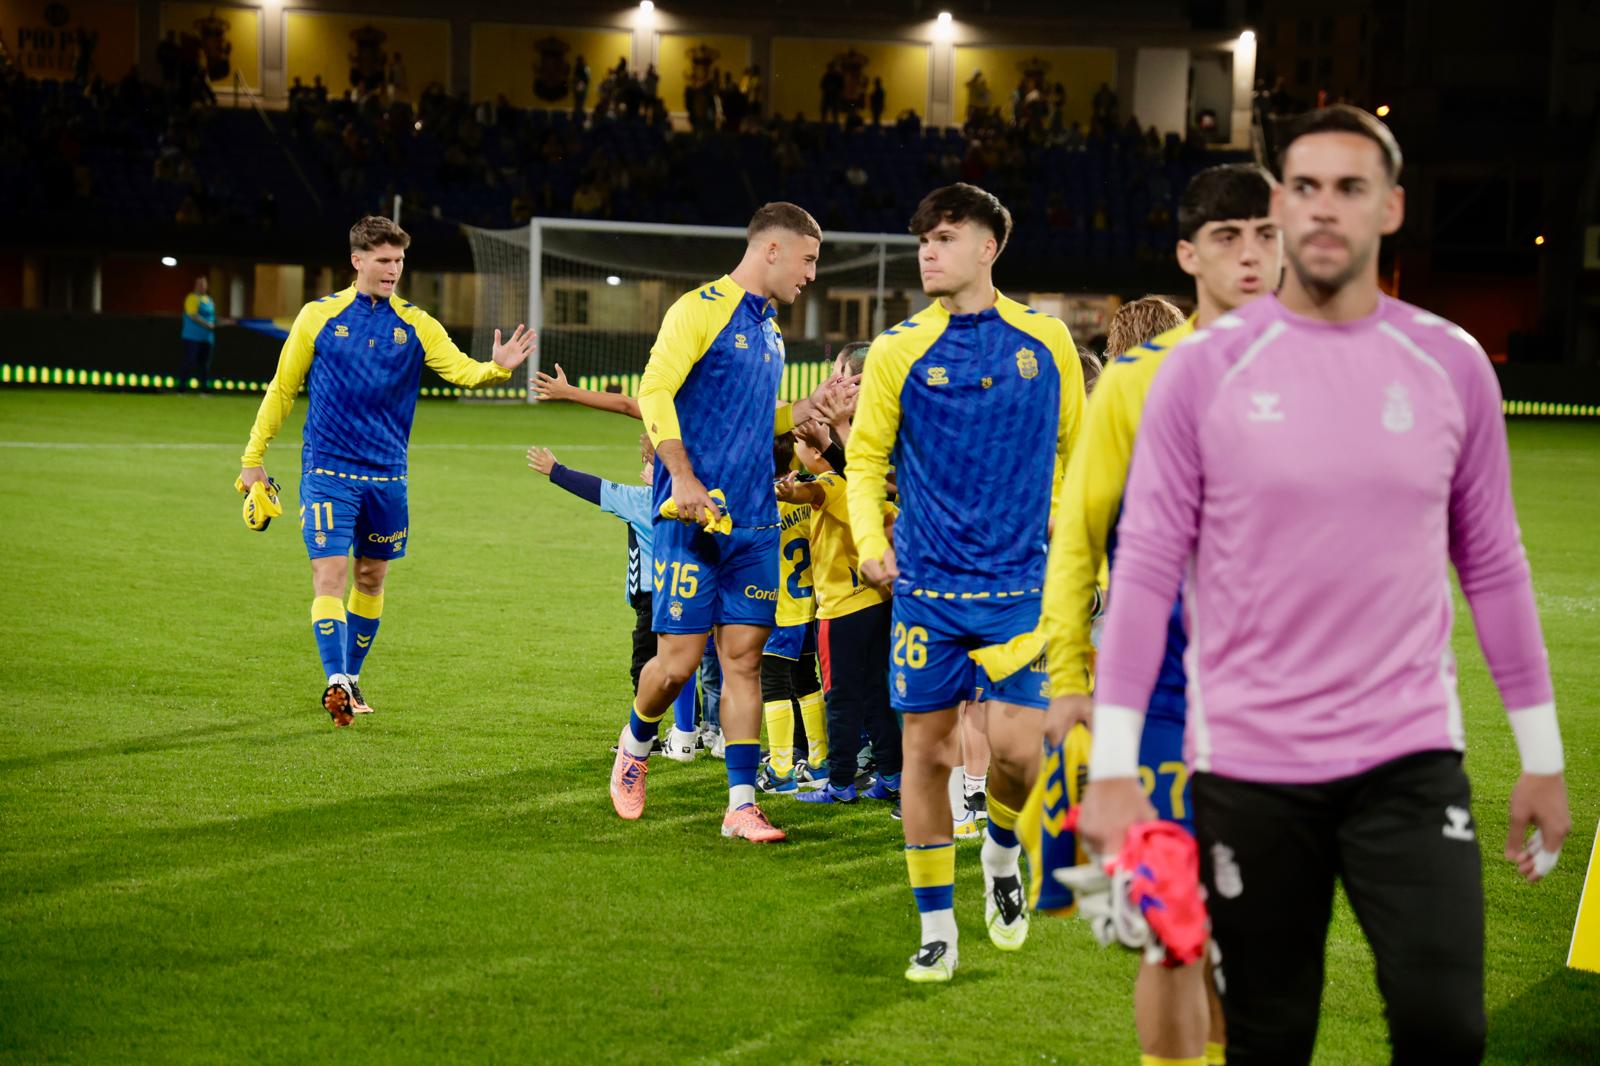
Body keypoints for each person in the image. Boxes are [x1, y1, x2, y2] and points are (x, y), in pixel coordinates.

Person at [1079, 106, 1570, 1065]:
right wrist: (1112, 769)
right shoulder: (1202, 374)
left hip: (1410, 759)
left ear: (1390, 207)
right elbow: (1140, 573)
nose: (1324, 209)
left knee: (1446, 1026)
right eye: (1303, 188)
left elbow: (1496, 565)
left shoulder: (1451, 363)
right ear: (1281, 207)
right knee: (1271, 1037)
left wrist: (1541, 755)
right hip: (1252, 770)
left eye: (1350, 188)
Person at [1040, 162, 1281, 1066]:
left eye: (1269, 235)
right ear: (1190, 254)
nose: (1252, 255)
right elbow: (1078, 535)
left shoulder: (1327, 371)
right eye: (1228, 236)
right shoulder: (1135, 382)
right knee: (1175, 929)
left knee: (1242, 943)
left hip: (1279, 706)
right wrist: (1070, 677)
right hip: (1166, 700)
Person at [847, 183, 1084, 982]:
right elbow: (865, 458)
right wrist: (873, 539)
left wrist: (1069, 530)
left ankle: (1003, 849)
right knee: (927, 754)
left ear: (990, 248)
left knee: (1021, 752)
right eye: (923, 239)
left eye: (945, 238)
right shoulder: (897, 349)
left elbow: (1078, 457)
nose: (928, 251)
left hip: (1020, 586)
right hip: (927, 591)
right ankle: (937, 927)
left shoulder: (1045, 342)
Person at [606, 202, 845, 843]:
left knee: (742, 662)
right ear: (772, 249)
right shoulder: (697, 309)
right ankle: (634, 742)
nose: (812, 275)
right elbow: (654, 391)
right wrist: (680, 477)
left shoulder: (769, 331)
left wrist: (804, 409)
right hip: (691, 518)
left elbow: (752, 419)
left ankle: (741, 805)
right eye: (809, 259)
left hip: (756, 524)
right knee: (677, 666)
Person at [238, 215, 536, 724]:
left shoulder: (417, 324)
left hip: (387, 477)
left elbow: (461, 371)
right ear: (357, 261)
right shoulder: (318, 316)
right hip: (329, 472)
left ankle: (351, 679)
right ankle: (333, 677)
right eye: (383, 260)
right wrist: (252, 459)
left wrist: (498, 367)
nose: (393, 269)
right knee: (328, 574)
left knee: (371, 578)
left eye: (399, 260)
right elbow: (282, 388)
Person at [526, 440, 699, 758]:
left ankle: (646, 736)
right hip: (690, 592)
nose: (643, 467)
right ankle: (692, 729)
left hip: (651, 596)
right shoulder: (695, 501)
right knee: (683, 662)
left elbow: (598, 489)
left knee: (646, 668)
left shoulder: (642, 500)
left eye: (649, 462)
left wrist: (556, 470)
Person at [178, 275, 216, 390]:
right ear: (195, 285)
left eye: (204, 284)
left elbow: (213, 318)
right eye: (199, 284)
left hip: (207, 338)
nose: (202, 286)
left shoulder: (209, 300)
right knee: (190, 361)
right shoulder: (192, 298)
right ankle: (181, 388)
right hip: (192, 337)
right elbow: (192, 315)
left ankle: (204, 390)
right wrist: (207, 324)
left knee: (204, 364)